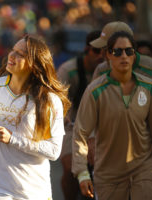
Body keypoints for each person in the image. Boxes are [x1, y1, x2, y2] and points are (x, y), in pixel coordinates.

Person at [0, 34, 71, 199]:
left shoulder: (49, 100)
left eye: (21, 54)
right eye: (13, 50)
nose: (12, 56)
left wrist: (12, 139)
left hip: (35, 191)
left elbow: (54, 151)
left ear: (35, 64)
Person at [72, 31, 152, 200]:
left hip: (145, 169)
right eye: (117, 52)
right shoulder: (95, 91)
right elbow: (80, 133)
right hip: (108, 174)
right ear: (108, 56)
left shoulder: (149, 88)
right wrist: (82, 172)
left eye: (129, 51)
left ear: (134, 55)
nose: (124, 56)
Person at [91, 21, 152, 133]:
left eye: (106, 49)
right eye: (101, 49)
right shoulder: (101, 71)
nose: (102, 54)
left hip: (149, 145)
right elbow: (92, 110)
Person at [57, 30, 103, 200]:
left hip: (100, 126)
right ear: (86, 49)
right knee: (70, 169)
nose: (101, 56)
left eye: (105, 52)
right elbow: (58, 101)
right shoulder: (68, 70)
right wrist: (64, 117)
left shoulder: (110, 70)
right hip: (71, 124)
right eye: (96, 51)